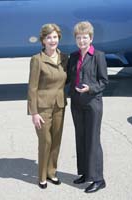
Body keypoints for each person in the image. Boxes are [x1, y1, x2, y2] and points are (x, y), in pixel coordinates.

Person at [67, 21, 108, 193]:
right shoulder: (74, 56)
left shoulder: (98, 55)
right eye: (79, 38)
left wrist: (90, 88)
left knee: (92, 140)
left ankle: (98, 179)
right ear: (75, 39)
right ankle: (85, 173)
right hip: (76, 103)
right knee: (81, 138)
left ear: (90, 38)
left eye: (85, 37)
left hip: (92, 103)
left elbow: (104, 81)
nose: (82, 41)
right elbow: (68, 78)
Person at [27, 23, 68, 189]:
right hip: (42, 107)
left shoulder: (64, 58)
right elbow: (32, 87)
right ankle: (42, 176)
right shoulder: (37, 60)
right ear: (43, 40)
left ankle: (52, 172)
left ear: (59, 39)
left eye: (55, 37)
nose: (52, 40)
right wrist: (34, 112)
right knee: (46, 141)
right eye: (49, 37)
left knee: (56, 140)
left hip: (59, 105)